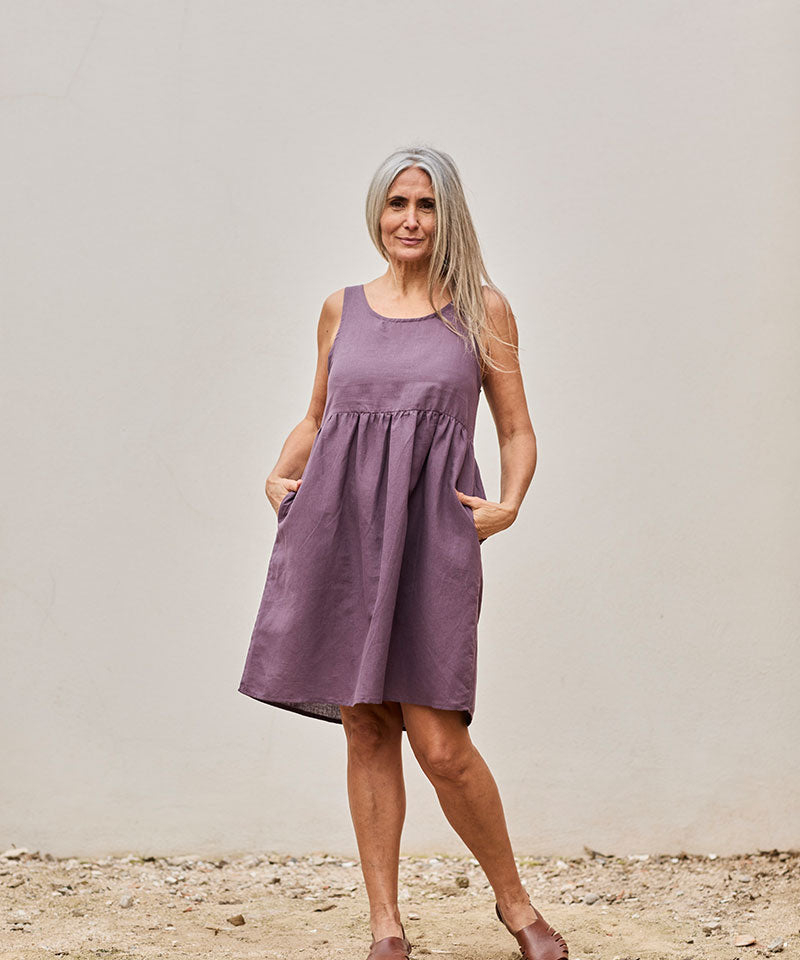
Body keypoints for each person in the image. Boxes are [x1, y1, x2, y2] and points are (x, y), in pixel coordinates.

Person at [238, 145, 568, 960]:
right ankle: (386, 925)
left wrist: (512, 503)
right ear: (377, 214)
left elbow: (517, 427)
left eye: (425, 205)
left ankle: (514, 904)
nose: (410, 220)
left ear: (447, 214)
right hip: (340, 532)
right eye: (397, 204)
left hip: (431, 537)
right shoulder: (339, 308)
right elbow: (318, 417)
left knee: (442, 744)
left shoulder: (483, 311)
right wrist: (278, 474)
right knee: (365, 726)